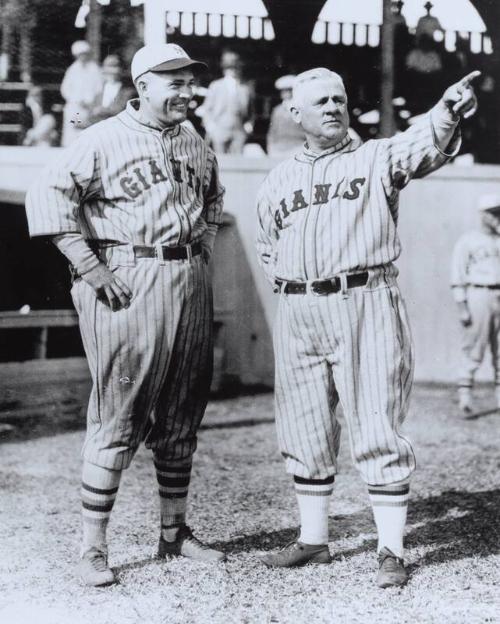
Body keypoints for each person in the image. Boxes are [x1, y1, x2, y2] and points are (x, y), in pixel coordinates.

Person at [255, 66, 479, 587]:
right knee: (304, 424)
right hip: (299, 307)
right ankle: (313, 540)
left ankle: (391, 549)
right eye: (321, 102)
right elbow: (268, 246)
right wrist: (293, 285)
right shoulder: (277, 179)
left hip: (365, 297)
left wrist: (445, 113)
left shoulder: (375, 156)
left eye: (340, 98)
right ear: (297, 114)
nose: (333, 107)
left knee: (376, 420)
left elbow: (420, 145)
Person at [25, 43, 225, 587]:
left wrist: (203, 241)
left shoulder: (195, 141)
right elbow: (47, 196)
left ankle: (173, 532)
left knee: (183, 412)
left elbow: (213, 200)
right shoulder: (102, 138)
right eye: (174, 83)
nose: (187, 92)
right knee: (118, 413)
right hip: (126, 278)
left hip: (187, 277)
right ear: (143, 86)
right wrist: (91, 269)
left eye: (190, 82)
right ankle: (92, 547)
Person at [450, 194, 500, 414]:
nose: (496, 216)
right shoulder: (468, 240)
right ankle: (465, 397)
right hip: (478, 293)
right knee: (473, 347)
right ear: (483, 214)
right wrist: (462, 306)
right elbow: (457, 275)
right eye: (492, 212)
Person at [201, 50, 254, 154]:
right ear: (224, 69)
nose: (232, 71)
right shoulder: (216, 86)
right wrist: (210, 126)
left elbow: (251, 112)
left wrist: (249, 125)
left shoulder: (245, 89)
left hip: (238, 131)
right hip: (220, 129)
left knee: (237, 162)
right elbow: (206, 109)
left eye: (235, 68)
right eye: (229, 68)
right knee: (220, 162)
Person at [60, 40, 103, 146]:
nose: (82, 57)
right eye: (80, 55)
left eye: (85, 54)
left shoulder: (94, 69)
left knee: (86, 131)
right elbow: (65, 89)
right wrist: (75, 100)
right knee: (72, 128)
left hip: (89, 106)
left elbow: (99, 87)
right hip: (74, 105)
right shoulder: (72, 69)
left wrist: (90, 100)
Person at [82, 54, 135, 127]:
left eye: (115, 67)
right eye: (108, 67)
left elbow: (122, 111)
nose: (112, 71)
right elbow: (91, 110)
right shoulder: (99, 89)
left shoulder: (128, 91)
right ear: (103, 70)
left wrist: (103, 110)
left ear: (121, 70)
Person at [266, 75, 305, 158]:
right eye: (283, 91)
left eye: (288, 90)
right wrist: (271, 147)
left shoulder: (301, 108)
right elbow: (272, 132)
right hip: (278, 150)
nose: (285, 93)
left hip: (297, 148)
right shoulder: (277, 110)